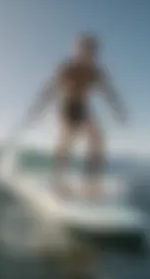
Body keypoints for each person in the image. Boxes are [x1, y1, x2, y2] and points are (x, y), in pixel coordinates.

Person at [23, 33, 128, 197]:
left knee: (98, 140)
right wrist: (36, 109)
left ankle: (91, 183)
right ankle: (57, 181)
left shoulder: (95, 72)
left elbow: (109, 93)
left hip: (83, 108)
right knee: (66, 143)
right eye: (85, 50)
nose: (89, 55)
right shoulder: (68, 68)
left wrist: (118, 110)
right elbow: (50, 89)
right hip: (66, 107)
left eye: (92, 51)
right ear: (77, 50)